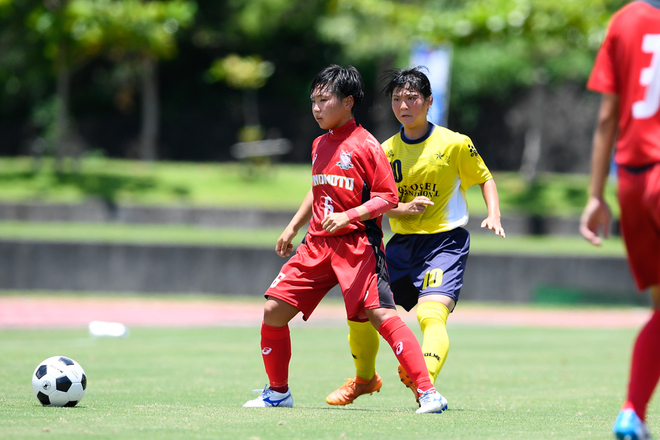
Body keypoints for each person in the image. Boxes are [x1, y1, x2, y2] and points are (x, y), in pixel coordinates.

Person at [242, 64, 448, 414]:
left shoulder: (367, 145)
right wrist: (292, 227)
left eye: (324, 100)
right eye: (313, 101)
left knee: (381, 314)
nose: (317, 108)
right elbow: (318, 186)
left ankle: (428, 393)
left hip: (358, 246)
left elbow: (388, 198)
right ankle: (278, 392)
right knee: (273, 310)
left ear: (348, 102)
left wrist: (348, 216)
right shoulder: (319, 143)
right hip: (316, 245)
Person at [325, 66, 505, 408]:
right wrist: (400, 210)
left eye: (411, 98)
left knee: (430, 314)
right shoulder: (384, 149)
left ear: (429, 102)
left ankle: (424, 380)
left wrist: (493, 214)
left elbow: (485, 178)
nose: (404, 106)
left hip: (444, 243)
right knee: (364, 309)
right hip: (400, 246)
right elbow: (373, 202)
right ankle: (365, 379)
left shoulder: (454, 144)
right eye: (397, 100)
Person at [579, 1, 660, 439]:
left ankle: (633, 413)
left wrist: (595, 195)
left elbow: (608, 115)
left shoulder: (625, 19)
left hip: (632, 178)